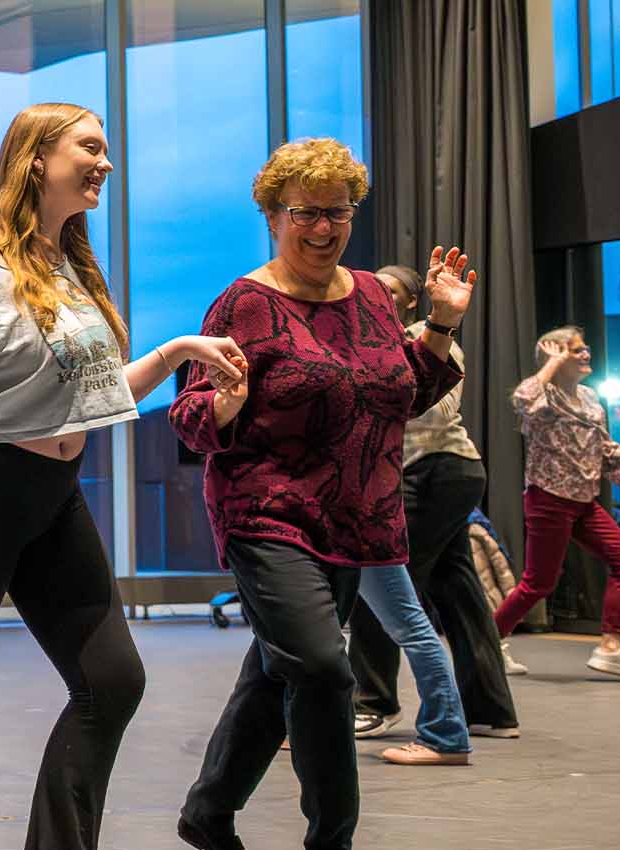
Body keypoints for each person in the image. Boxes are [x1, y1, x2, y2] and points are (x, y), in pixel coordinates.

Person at [0, 102, 243, 849]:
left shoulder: (66, 263)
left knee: (111, 682)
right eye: (90, 147)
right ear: (37, 158)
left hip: (51, 494)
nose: (105, 162)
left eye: (106, 150)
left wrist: (175, 354)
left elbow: (93, 396)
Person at [170, 138, 471, 850]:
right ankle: (332, 838)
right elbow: (188, 423)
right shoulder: (242, 304)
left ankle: (207, 817)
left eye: (337, 212)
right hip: (267, 513)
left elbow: (405, 395)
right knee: (324, 669)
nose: (323, 227)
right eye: (306, 212)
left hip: (356, 520)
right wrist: (227, 404)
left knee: (279, 673)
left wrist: (444, 322)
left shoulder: (370, 294)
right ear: (274, 215)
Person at [344, 263, 519, 749]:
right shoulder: (369, 341)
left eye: (393, 290)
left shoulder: (430, 339)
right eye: (375, 287)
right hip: (435, 476)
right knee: (458, 591)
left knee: (382, 581)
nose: (381, 294)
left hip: (439, 471)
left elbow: (434, 406)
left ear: (413, 302)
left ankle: (373, 703)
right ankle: (490, 711)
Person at [494, 324, 620, 681]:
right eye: (575, 350)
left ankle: (610, 648)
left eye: (584, 349)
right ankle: (488, 642)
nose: (585, 355)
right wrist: (552, 361)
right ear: (555, 355)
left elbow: (608, 452)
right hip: (548, 500)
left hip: (583, 503)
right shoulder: (543, 396)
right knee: (539, 583)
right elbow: (523, 401)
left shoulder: (590, 399)